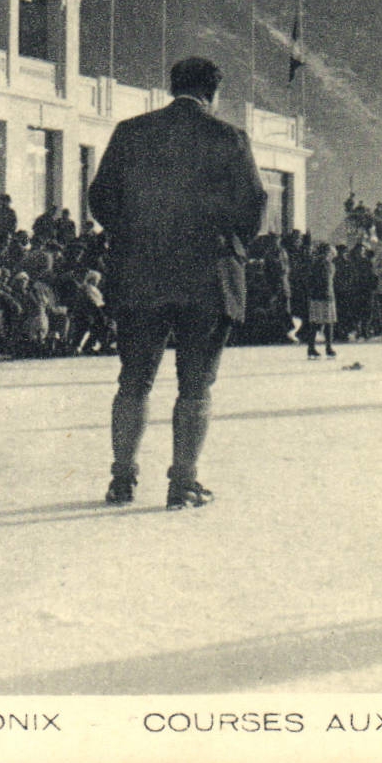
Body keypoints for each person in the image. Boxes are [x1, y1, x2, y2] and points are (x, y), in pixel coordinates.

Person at [88, 57, 265, 510]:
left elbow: (101, 198)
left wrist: (134, 235)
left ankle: (122, 477)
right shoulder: (229, 138)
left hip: (141, 274)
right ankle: (182, 481)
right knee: (196, 387)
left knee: (133, 381)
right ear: (214, 93)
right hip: (206, 278)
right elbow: (253, 206)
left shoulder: (130, 132)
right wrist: (227, 244)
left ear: (173, 87)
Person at [304, 242, 338, 358]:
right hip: (326, 296)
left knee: (314, 322)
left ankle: (311, 347)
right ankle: (328, 347)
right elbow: (327, 281)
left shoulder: (314, 264)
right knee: (328, 323)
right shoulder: (328, 265)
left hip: (316, 296)